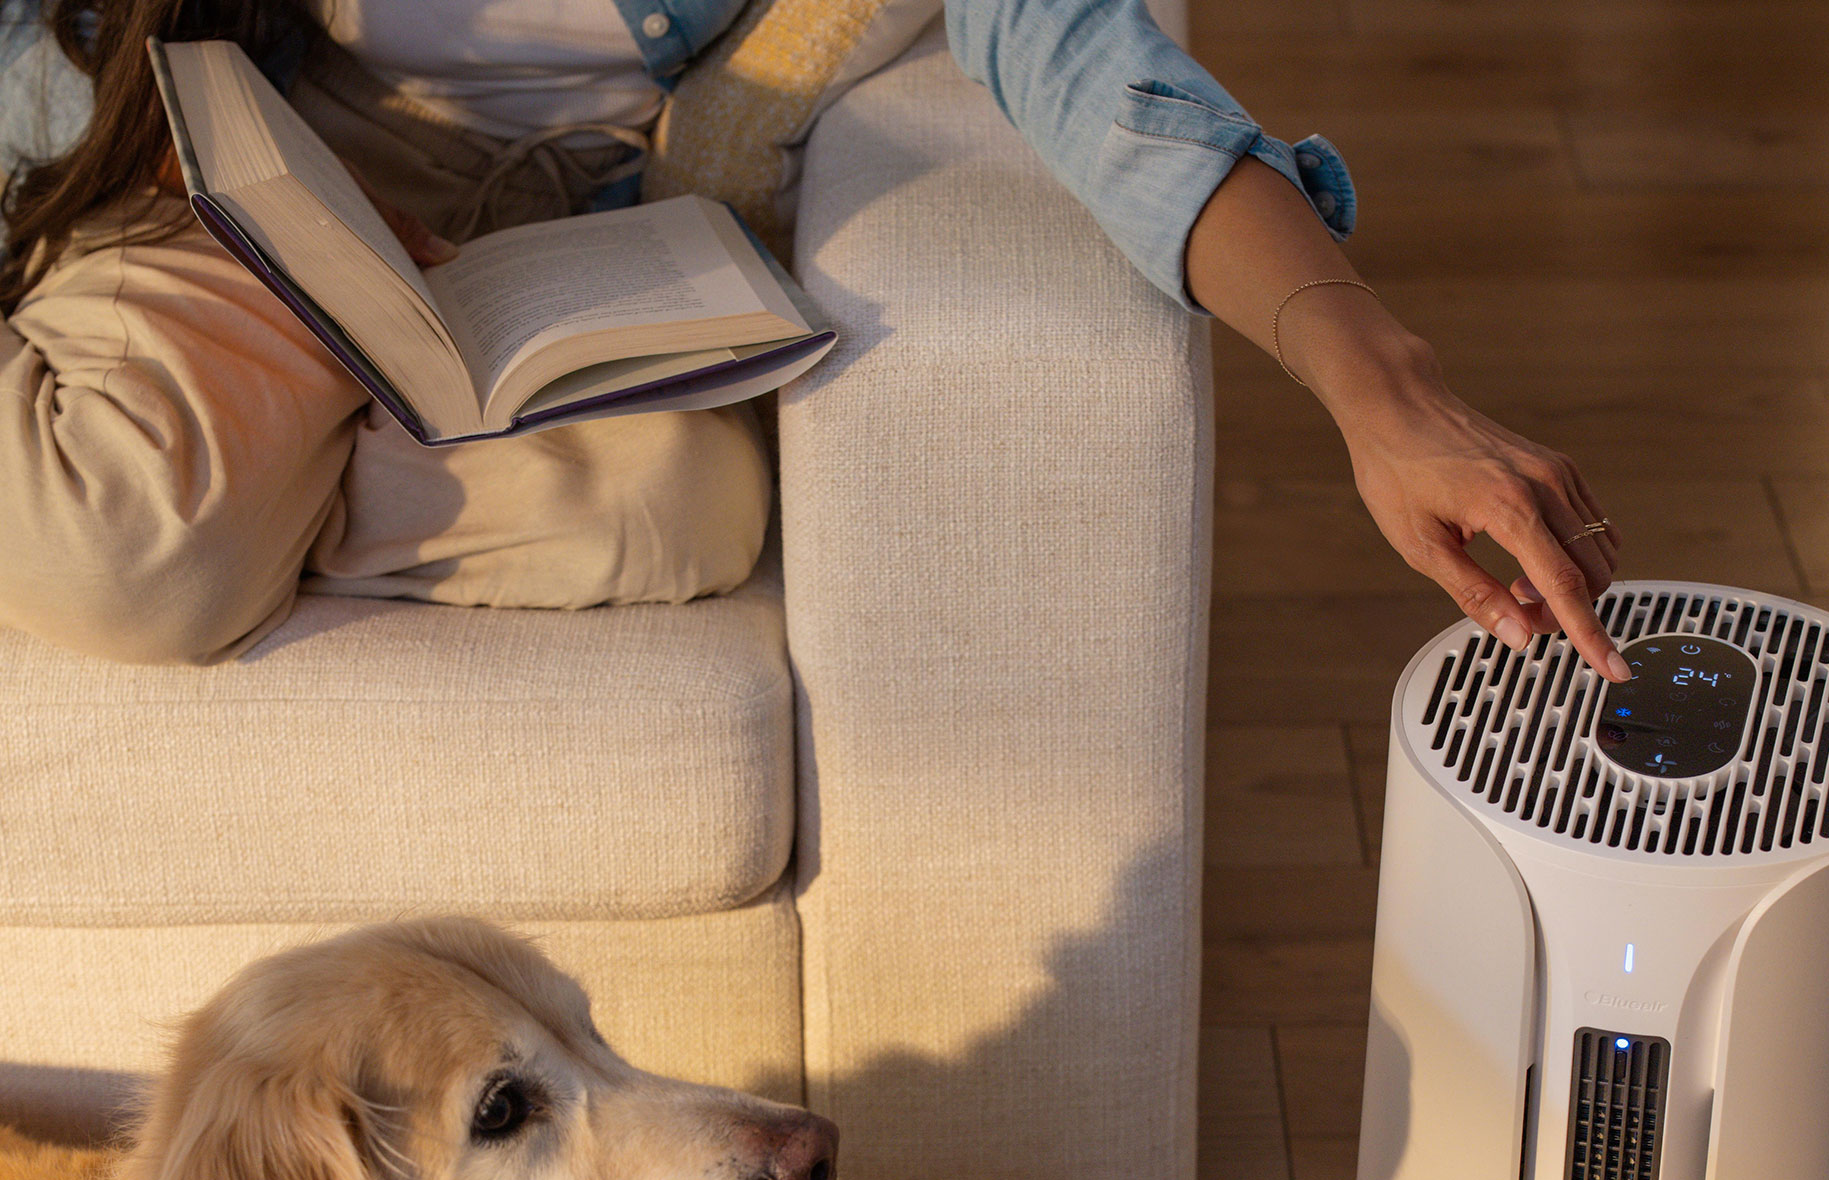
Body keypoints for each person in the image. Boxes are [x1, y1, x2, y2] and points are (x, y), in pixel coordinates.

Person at [0, 0, 1627, 674]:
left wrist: (1374, 381)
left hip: (561, 227)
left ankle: (288, 464)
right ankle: (253, 458)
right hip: (222, 160)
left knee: (674, 502)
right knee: (130, 557)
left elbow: (1070, 43)